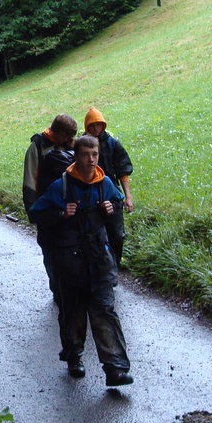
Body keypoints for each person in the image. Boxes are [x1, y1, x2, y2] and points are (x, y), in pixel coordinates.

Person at [30, 135, 133, 386]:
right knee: (73, 312)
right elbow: (36, 214)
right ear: (76, 156)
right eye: (86, 154)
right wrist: (61, 213)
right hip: (70, 262)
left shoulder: (105, 183)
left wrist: (112, 210)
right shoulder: (61, 186)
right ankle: (74, 356)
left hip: (99, 259)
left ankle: (116, 369)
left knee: (105, 311)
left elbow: (116, 216)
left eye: (94, 154)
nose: (91, 159)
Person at [22, 114, 78, 302]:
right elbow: (29, 181)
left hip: (70, 207)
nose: (70, 139)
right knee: (49, 249)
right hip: (46, 208)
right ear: (57, 132)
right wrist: (34, 211)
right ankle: (57, 291)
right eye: (67, 135)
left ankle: (71, 289)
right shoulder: (37, 146)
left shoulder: (70, 144)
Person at [83, 106, 134, 270]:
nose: (95, 128)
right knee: (91, 236)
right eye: (92, 125)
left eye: (98, 124)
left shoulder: (112, 144)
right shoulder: (81, 145)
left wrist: (128, 196)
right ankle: (97, 270)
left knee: (116, 235)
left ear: (103, 125)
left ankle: (115, 267)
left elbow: (122, 170)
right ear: (87, 127)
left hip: (112, 197)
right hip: (89, 197)